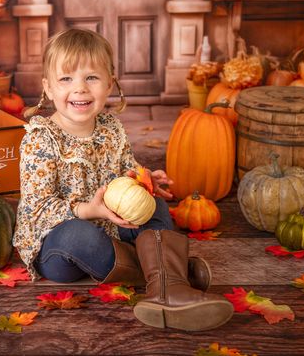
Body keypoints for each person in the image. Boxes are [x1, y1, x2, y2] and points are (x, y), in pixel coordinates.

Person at [13, 28, 233, 331]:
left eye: (91, 77)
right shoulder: (41, 138)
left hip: (115, 229)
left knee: (155, 206)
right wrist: (89, 210)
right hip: (59, 247)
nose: (80, 89)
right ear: (48, 88)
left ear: (110, 84)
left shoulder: (110, 128)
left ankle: (165, 288)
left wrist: (142, 180)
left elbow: (125, 170)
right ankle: (171, 277)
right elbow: (37, 210)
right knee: (79, 235)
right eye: (66, 79)